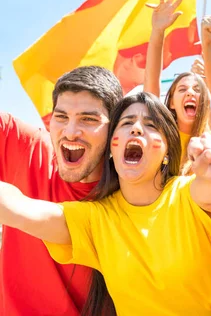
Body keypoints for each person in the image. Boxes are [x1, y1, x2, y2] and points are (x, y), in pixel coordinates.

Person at [0, 92, 211, 315]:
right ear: (111, 149)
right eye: (127, 123)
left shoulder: (187, 194)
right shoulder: (95, 219)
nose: (137, 129)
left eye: (151, 125)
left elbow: (209, 188)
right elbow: (19, 209)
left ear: (167, 152)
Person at [0, 66, 121, 315]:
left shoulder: (129, 199)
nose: (71, 132)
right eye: (62, 116)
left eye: (89, 119)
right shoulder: (30, 146)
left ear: (115, 130)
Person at [144, 0, 211, 168]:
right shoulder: (161, 134)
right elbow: (151, 83)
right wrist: (158, 31)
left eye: (198, 90)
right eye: (182, 89)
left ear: (205, 100)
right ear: (172, 102)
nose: (191, 92)